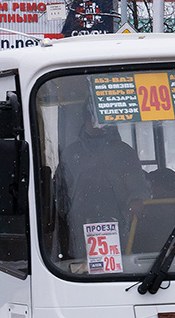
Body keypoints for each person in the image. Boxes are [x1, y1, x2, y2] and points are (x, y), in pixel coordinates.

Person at [54, 103, 151, 259]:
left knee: (118, 260)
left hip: (117, 218)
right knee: (82, 262)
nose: (97, 125)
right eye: (92, 119)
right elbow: (59, 191)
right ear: (85, 121)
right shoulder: (71, 154)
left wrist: (137, 200)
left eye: (101, 120)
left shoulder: (124, 152)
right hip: (78, 221)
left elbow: (139, 187)